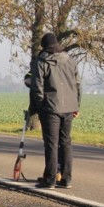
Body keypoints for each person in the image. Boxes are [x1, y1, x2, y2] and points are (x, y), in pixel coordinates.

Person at [30, 33, 81, 189]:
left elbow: (36, 86)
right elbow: (78, 84)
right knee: (65, 143)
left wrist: (39, 106)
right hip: (69, 108)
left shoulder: (42, 61)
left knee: (51, 144)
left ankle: (50, 180)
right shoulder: (70, 60)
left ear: (44, 46)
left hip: (50, 108)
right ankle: (66, 179)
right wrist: (76, 105)